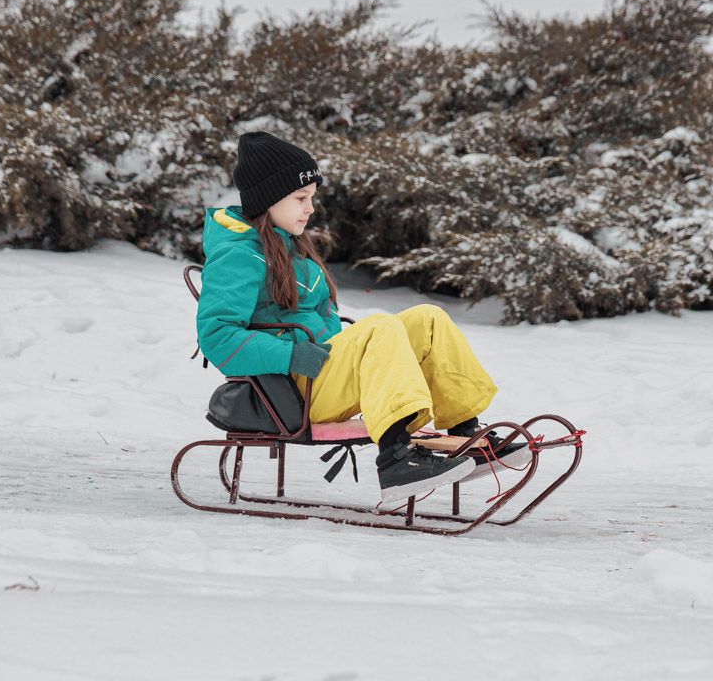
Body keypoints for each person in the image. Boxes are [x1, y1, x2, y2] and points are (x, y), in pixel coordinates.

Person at [196, 131, 529, 503]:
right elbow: (217, 336)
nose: (310, 208)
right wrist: (290, 355)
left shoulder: (294, 250)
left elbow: (326, 320)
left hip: (321, 374)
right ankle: (396, 459)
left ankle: (465, 431)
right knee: (378, 327)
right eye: (300, 198)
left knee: (428, 319)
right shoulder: (238, 255)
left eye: (311, 199)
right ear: (267, 200)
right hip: (290, 391)